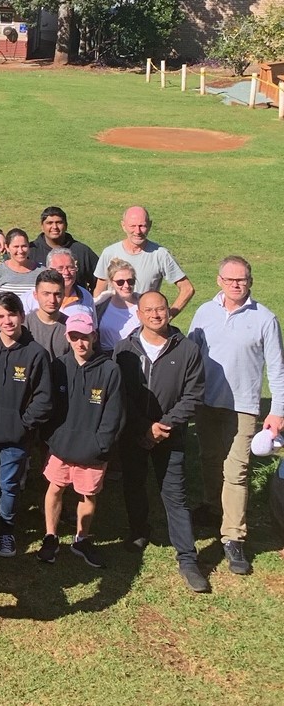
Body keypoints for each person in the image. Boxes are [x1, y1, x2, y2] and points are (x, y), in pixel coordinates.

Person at [188, 255, 284, 576]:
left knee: (237, 470)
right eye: (229, 279)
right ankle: (213, 506)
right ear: (219, 281)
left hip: (243, 408)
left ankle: (233, 536)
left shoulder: (265, 319)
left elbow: (277, 369)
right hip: (205, 403)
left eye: (241, 279)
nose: (235, 284)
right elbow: (190, 356)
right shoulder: (204, 312)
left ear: (250, 281)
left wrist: (277, 412)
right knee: (209, 458)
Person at [113, 291, 208, 591]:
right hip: (134, 432)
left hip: (171, 434)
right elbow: (120, 394)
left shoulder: (187, 349)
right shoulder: (124, 350)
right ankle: (139, 530)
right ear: (139, 314)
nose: (155, 315)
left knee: (175, 496)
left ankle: (188, 558)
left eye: (161, 309)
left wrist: (163, 426)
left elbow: (194, 396)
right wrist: (144, 427)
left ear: (169, 311)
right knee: (134, 484)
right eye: (149, 310)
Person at [39, 313, 124, 569]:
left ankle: (81, 539)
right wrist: (53, 439)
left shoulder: (110, 370)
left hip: (93, 451)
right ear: (68, 337)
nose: (80, 343)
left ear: (94, 336)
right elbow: (48, 406)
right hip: (61, 447)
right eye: (74, 337)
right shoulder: (58, 366)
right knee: (55, 488)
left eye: (84, 337)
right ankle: (50, 536)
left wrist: (101, 445)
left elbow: (114, 414)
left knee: (87, 495)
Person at [0, 292, 53, 558]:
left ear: (21, 316)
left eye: (12, 314)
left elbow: (44, 398)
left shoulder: (36, 353)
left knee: (9, 485)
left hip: (16, 435)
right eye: (0, 316)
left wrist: (24, 424)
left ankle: (6, 529)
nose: (7, 321)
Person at [93, 206, 195, 317]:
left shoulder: (160, 254)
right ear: (123, 226)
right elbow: (99, 292)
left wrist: (167, 317)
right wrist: (96, 318)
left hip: (144, 322)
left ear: (150, 225)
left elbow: (187, 289)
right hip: (113, 321)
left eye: (142, 226)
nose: (137, 231)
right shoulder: (109, 253)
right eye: (132, 226)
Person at [28, 207, 97, 291]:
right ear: (42, 226)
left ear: (66, 225)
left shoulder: (82, 251)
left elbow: (100, 280)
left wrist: (91, 297)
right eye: (49, 223)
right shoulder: (31, 251)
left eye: (59, 222)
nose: (55, 227)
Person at [96, 258, 141, 351]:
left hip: (135, 355)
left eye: (130, 281)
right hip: (106, 356)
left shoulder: (144, 306)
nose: (126, 286)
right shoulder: (100, 306)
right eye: (120, 282)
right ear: (111, 282)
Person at [25, 269, 72, 359]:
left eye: (57, 294)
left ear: (63, 295)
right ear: (35, 295)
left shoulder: (72, 326)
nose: (52, 300)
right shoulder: (23, 325)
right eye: (46, 294)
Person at [0, 228, 41, 301]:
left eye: (24, 246)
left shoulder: (41, 272)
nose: (20, 251)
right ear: (7, 247)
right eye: (16, 247)